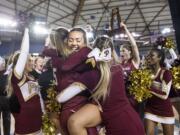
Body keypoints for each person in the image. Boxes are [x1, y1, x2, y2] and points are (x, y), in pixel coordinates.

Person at [58, 36, 145, 135]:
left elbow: (61, 98)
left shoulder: (90, 75)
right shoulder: (118, 69)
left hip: (117, 126)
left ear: (93, 51)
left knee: (74, 122)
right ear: (112, 52)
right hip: (132, 118)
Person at [43, 27, 101, 135]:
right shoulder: (64, 55)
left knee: (75, 125)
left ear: (84, 41)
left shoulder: (86, 51)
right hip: (68, 101)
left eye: (78, 40)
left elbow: (66, 66)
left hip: (79, 100)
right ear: (66, 41)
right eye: (71, 40)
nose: (74, 43)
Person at [6, 28, 43, 135]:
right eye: (29, 60)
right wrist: (26, 31)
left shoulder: (31, 76)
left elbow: (37, 98)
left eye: (32, 60)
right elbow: (24, 52)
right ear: (22, 63)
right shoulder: (17, 77)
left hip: (37, 121)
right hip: (26, 122)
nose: (32, 62)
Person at [144, 48, 174, 135]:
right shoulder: (146, 72)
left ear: (159, 58)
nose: (149, 57)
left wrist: (148, 89)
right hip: (150, 109)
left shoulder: (166, 73)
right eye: (148, 55)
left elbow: (165, 95)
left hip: (165, 110)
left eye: (152, 55)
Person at [119, 22, 141, 111]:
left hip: (134, 97)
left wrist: (125, 30)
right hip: (123, 96)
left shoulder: (134, 62)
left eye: (123, 50)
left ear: (130, 52)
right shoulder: (120, 64)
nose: (121, 53)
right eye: (120, 51)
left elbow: (134, 45)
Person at [0, 56, 11, 135]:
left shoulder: (8, 73)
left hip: (6, 99)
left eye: (3, 62)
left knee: (7, 119)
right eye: (1, 63)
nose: (3, 64)